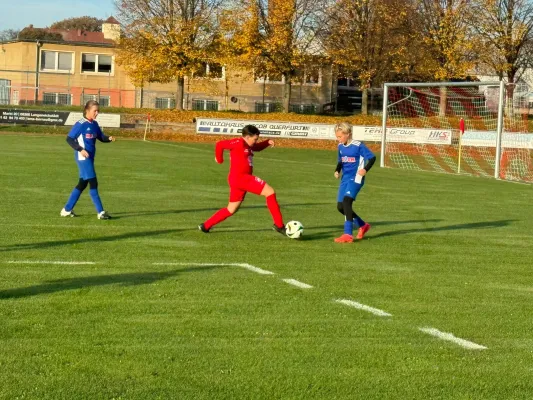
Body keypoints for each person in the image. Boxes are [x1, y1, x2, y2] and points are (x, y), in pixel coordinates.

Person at [199, 124, 286, 234]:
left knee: (231, 209)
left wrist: (267, 142)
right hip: (242, 178)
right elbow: (220, 144)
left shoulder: (248, 145)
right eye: (255, 139)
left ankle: (205, 226)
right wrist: (219, 159)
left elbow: (256, 147)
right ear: (248, 136)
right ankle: (279, 225)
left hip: (238, 180)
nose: (256, 141)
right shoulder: (238, 142)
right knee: (270, 192)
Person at [60, 100, 115, 219]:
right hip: (83, 158)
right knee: (93, 182)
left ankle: (66, 210)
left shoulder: (94, 124)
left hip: (90, 158)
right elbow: (69, 139)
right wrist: (80, 149)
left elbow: (101, 137)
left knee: (82, 184)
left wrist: (109, 138)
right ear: (87, 110)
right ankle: (101, 212)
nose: (97, 113)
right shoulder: (80, 124)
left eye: (98, 111)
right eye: (95, 111)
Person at [333, 122, 375, 243]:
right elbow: (341, 161)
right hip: (345, 179)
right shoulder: (340, 147)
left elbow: (372, 158)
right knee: (341, 207)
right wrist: (337, 170)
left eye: (340, 136)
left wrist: (365, 169)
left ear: (348, 134)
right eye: (337, 136)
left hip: (356, 178)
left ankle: (348, 234)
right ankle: (363, 225)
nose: (338, 139)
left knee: (347, 201)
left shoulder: (358, 145)